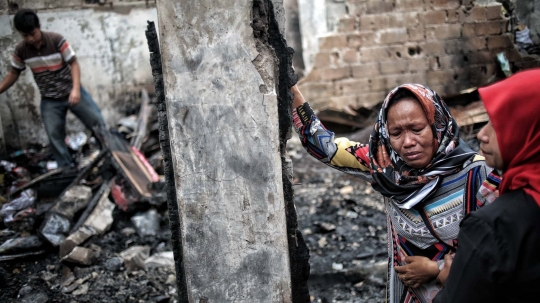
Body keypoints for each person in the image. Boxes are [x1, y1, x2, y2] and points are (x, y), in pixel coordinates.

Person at [291, 83, 501, 302]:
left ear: (437, 125)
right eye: (396, 133)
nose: (408, 142)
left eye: (417, 129)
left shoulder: (479, 173)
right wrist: (294, 93)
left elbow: (501, 249)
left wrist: (436, 269)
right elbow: (326, 148)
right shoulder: (386, 169)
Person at [433, 69, 540, 303]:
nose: (482, 134)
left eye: (499, 124)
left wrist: (451, 279)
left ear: (530, 131)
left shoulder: (494, 227)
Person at [0, 9, 105, 168]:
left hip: (72, 92)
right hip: (50, 100)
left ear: (39, 27)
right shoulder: (21, 50)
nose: (30, 39)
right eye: (25, 35)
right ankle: (66, 169)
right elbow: (14, 72)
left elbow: (74, 63)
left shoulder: (56, 40)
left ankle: (110, 154)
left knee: (97, 121)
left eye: (33, 34)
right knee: (54, 135)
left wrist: (76, 89)